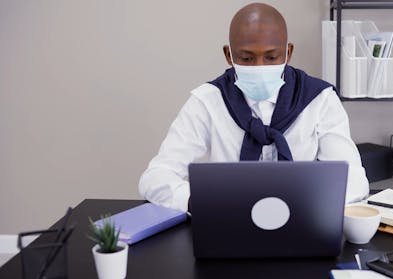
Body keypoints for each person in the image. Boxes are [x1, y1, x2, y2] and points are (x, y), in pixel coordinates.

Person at [139, 3, 368, 211]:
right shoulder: (207, 102)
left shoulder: (320, 100)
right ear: (229, 55)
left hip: (302, 222)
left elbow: (354, 182)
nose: (259, 67)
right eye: (247, 59)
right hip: (227, 225)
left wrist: (304, 199)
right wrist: (203, 200)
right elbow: (155, 177)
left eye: (271, 57)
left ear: (288, 53)